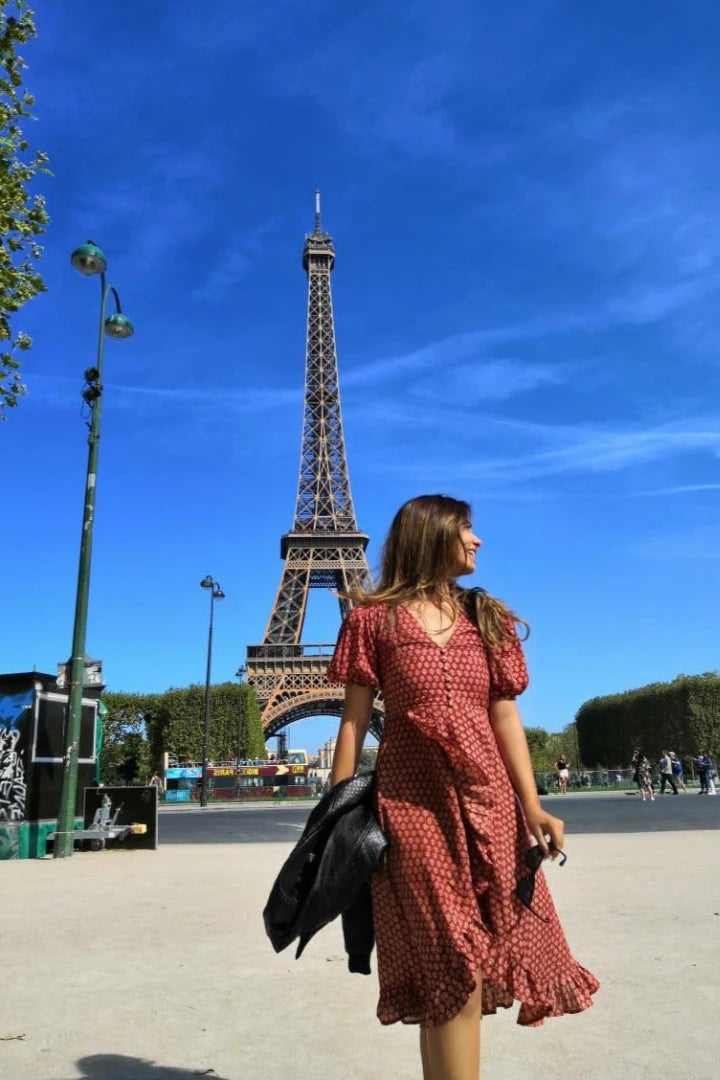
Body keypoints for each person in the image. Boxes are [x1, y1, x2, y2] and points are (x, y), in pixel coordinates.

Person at [326, 495, 598, 1080]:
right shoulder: (373, 621)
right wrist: (334, 817)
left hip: (490, 806)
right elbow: (352, 722)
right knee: (451, 961)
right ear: (431, 536)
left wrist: (534, 807)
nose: (478, 541)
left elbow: (504, 717)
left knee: (456, 974)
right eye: (467, 529)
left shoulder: (486, 618)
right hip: (411, 807)